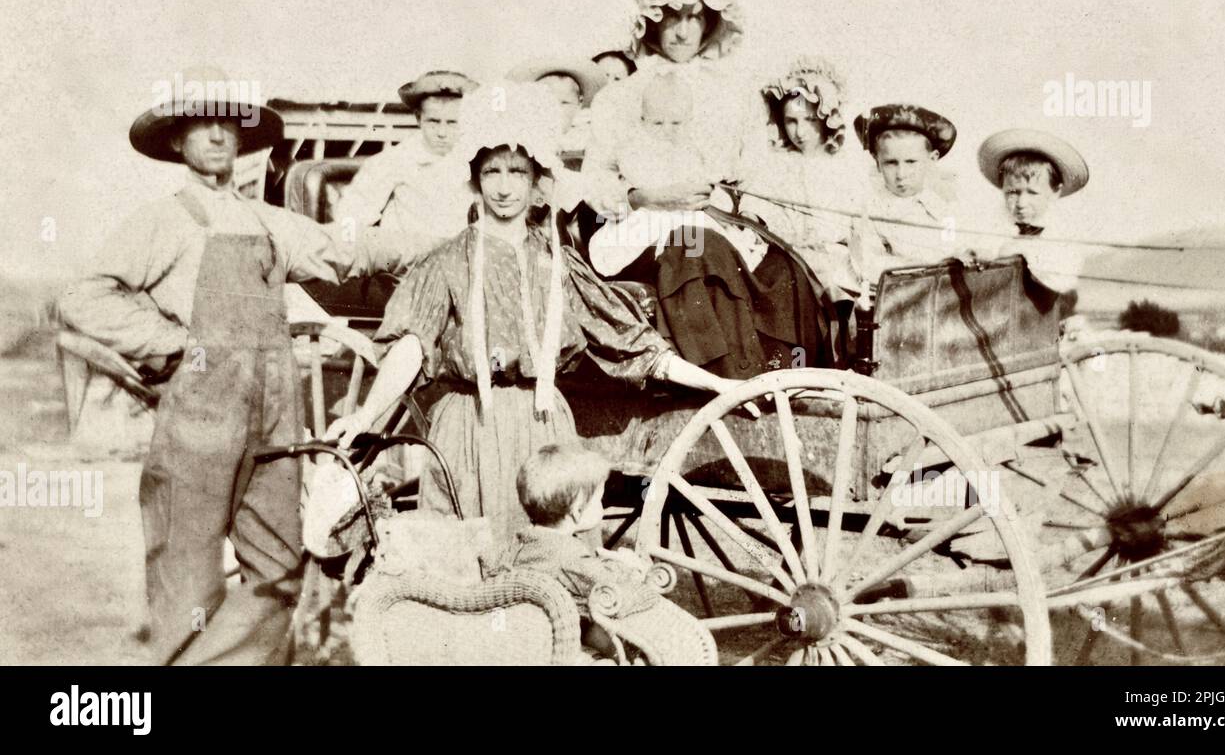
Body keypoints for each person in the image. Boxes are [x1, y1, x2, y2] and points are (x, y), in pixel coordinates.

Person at [59, 90, 432, 666]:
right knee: (186, 576)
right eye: (200, 126)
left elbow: (345, 250)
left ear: (241, 140)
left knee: (282, 569)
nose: (215, 136)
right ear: (178, 142)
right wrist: (172, 345)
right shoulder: (160, 222)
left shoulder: (270, 222)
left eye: (227, 126)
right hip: (198, 414)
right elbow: (84, 298)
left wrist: (453, 241)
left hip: (275, 415)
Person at [324, 83, 739, 537]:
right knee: (474, 565)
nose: (503, 188)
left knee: (551, 562)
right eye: (492, 172)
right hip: (471, 431)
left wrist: (718, 384)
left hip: (546, 433)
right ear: (476, 179)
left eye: (517, 172)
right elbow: (411, 345)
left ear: (535, 179)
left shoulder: (557, 264)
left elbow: (630, 343)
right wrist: (365, 416)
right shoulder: (447, 261)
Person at [581, 0, 827, 377]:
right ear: (651, 20)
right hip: (647, 231)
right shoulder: (618, 97)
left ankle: (788, 377)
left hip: (720, 221)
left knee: (784, 267)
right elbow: (597, 178)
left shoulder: (735, 95)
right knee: (698, 250)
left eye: (693, 17)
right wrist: (645, 197)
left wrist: (733, 205)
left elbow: (756, 175)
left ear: (711, 22)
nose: (681, 31)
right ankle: (731, 379)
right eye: (671, 17)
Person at [486, 443, 653, 657]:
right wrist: (634, 571)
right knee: (632, 640)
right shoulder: (570, 557)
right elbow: (614, 594)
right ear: (576, 510)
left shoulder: (519, 543)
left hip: (527, 639)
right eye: (600, 499)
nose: (602, 504)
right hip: (558, 646)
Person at [741, 57, 874, 302]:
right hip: (783, 258)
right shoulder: (775, 164)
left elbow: (860, 225)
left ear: (826, 118)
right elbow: (753, 208)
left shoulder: (844, 167)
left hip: (835, 260)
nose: (799, 132)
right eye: (791, 121)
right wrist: (751, 218)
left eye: (809, 120)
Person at [334, 69, 479, 239]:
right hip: (407, 258)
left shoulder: (472, 160)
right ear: (418, 118)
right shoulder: (398, 158)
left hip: (458, 256)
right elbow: (353, 210)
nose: (442, 132)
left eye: (452, 123)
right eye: (433, 121)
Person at [852, 104, 974, 301]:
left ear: (932, 159)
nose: (901, 174)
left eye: (911, 162)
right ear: (877, 161)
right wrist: (930, 266)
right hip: (896, 302)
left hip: (943, 299)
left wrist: (965, 254)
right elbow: (868, 266)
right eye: (891, 163)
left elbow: (955, 245)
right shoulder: (872, 211)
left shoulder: (942, 208)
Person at [976, 128, 1090, 296]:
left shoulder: (1063, 234)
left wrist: (1015, 255)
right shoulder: (995, 224)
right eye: (1012, 192)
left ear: (1055, 191)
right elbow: (980, 249)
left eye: (1033, 193)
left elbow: (1062, 280)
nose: (1021, 203)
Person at [505, 57, 608, 158]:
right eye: (547, 102)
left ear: (579, 104)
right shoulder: (527, 130)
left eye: (565, 103)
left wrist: (561, 144)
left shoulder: (584, 131)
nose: (556, 110)